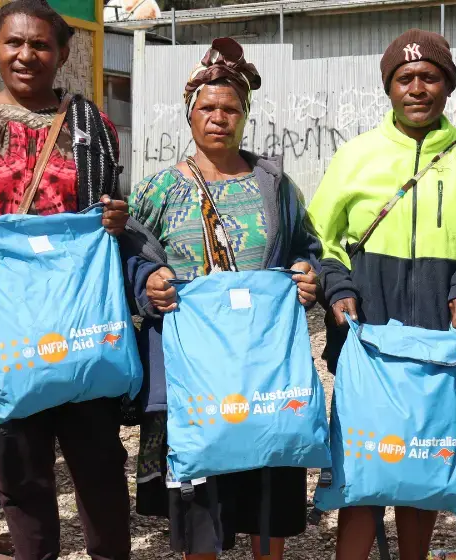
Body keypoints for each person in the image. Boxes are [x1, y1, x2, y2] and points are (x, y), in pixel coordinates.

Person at [0, 1, 134, 558]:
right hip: (5, 322)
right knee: (20, 463)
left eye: (41, 45)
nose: (26, 55)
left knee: (98, 461)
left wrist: (116, 215)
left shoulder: (93, 125)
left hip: (79, 319)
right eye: (14, 43)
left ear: (63, 53)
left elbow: (110, 206)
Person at [308, 28, 456, 560]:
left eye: (430, 77)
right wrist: (340, 286)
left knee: (424, 461)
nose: (417, 87)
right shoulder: (356, 157)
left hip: (439, 340)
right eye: (405, 78)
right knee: (363, 463)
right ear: (389, 87)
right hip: (369, 335)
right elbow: (320, 238)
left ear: (447, 87)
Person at [127, 38, 321, 560]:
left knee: (268, 486)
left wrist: (307, 274)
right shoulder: (158, 190)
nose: (219, 117)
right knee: (200, 500)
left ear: (245, 115)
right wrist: (147, 280)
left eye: (230, 108)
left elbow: (308, 247)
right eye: (207, 108)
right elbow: (126, 258)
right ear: (189, 116)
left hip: (264, 370)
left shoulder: (274, 186)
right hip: (192, 373)